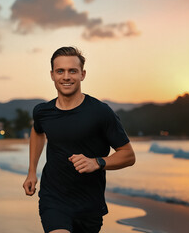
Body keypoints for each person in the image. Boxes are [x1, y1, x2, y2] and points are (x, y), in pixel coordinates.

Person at [23, 46, 136, 233]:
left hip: (89, 206)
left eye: (72, 71)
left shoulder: (101, 112)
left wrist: (97, 162)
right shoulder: (42, 112)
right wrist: (31, 172)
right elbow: (37, 132)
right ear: (52, 75)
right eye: (60, 71)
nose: (66, 77)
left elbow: (128, 155)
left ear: (82, 74)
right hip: (54, 199)